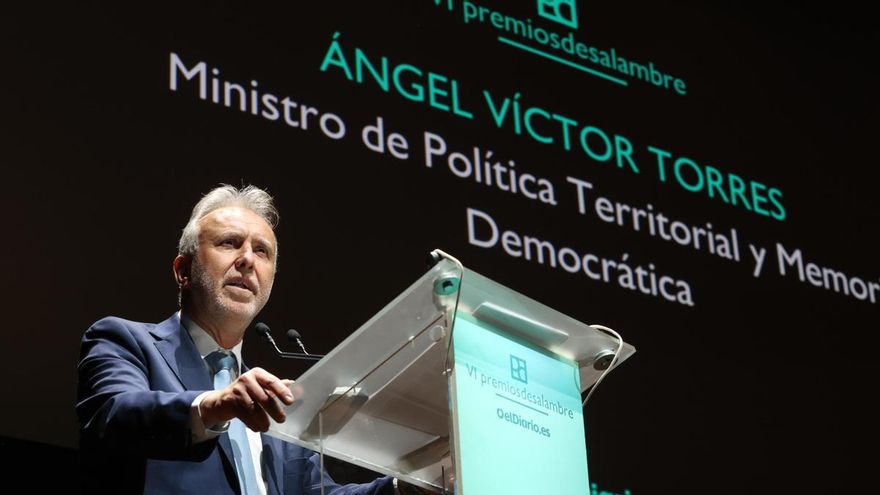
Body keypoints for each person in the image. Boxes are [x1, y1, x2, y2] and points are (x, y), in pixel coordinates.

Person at [76, 184, 424, 494]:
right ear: (183, 271)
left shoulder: (271, 402)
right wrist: (216, 405)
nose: (246, 260)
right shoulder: (124, 341)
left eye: (262, 251)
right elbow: (113, 416)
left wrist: (404, 490)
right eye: (229, 243)